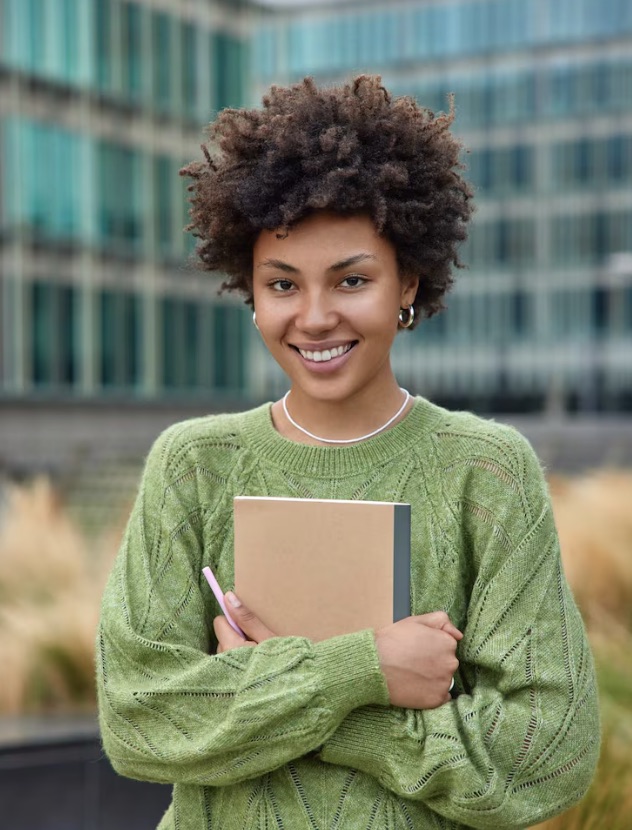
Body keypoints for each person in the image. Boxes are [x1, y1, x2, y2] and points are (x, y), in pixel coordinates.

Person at [96, 76, 599, 830]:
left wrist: (283, 699)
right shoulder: (192, 465)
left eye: (352, 280)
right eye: (282, 284)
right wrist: (364, 672)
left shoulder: (486, 471)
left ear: (409, 281)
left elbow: (549, 752)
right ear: (251, 291)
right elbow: (137, 719)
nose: (315, 317)